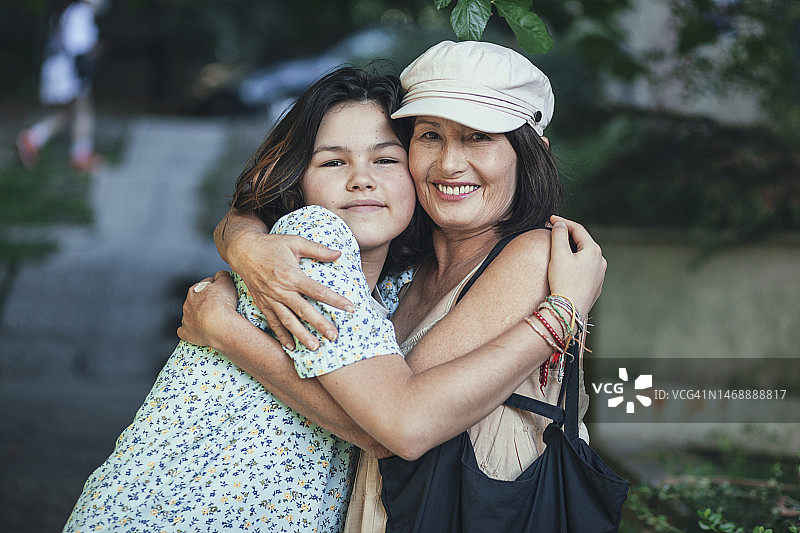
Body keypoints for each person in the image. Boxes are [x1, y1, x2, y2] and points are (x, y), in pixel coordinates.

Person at [63, 65, 604, 533]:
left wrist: (228, 323)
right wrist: (243, 243)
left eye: (385, 160)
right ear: (297, 182)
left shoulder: (397, 280)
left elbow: (389, 424)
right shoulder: (316, 241)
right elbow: (394, 427)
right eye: (331, 162)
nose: (361, 181)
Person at [15, 0, 107, 173]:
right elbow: (78, 45)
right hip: (68, 71)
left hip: (58, 68)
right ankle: (81, 155)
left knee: (64, 115)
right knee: (83, 110)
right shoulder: (81, 12)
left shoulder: (70, 11)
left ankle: (32, 138)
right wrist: (94, 50)